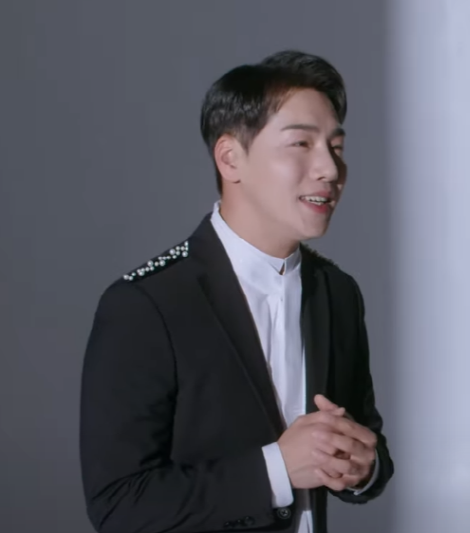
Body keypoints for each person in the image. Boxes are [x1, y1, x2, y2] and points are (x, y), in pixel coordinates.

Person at [79, 49, 393, 533]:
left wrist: (363, 468)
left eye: (336, 147)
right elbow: (118, 505)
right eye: (301, 144)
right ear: (230, 158)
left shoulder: (337, 293)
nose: (330, 169)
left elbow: (368, 446)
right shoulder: (147, 305)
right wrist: (277, 470)